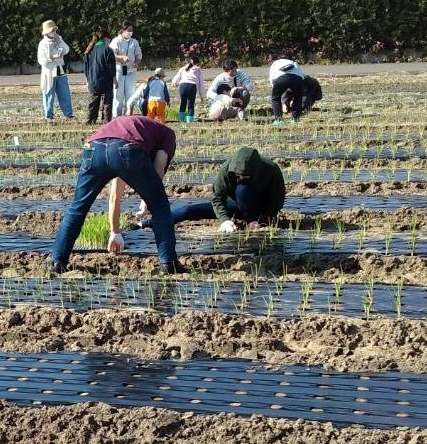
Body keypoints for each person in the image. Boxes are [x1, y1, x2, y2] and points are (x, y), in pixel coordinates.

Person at [49, 114, 183, 276]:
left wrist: (115, 232)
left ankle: (58, 262)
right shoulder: (167, 133)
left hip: (93, 149)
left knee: (78, 208)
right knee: (160, 207)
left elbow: (115, 194)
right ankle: (168, 263)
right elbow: (159, 165)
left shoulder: (130, 127)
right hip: (127, 150)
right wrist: (150, 197)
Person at [134, 147, 285, 233]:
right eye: (237, 175)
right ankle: (145, 223)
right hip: (239, 205)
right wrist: (224, 220)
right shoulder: (227, 168)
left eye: (245, 176)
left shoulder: (271, 170)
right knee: (188, 211)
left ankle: (251, 221)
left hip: (259, 206)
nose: (240, 178)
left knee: (242, 190)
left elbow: (277, 201)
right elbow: (217, 198)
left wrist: (263, 220)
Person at [37, 20, 73, 120]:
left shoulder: (59, 38)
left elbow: (66, 49)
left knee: (64, 93)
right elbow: (41, 60)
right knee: (49, 93)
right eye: (51, 31)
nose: (54, 32)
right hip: (49, 72)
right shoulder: (43, 44)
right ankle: (49, 116)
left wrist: (60, 42)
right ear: (46, 32)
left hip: (60, 70)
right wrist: (51, 58)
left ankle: (68, 114)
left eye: (54, 30)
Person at [83, 31, 116, 126]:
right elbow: (111, 66)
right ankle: (106, 121)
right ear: (105, 38)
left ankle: (90, 120)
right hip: (106, 80)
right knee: (107, 102)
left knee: (93, 102)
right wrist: (114, 79)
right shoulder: (108, 50)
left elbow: (85, 67)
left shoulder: (89, 50)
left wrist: (87, 79)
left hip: (93, 80)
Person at [108, 24, 142, 117]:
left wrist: (137, 62)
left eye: (131, 30)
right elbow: (111, 55)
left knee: (130, 94)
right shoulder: (116, 41)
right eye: (128, 30)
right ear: (122, 30)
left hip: (131, 71)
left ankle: (128, 114)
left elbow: (139, 54)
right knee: (118, 94)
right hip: (119, 71)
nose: (130, 32)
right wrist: (121, 57)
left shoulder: (134, 42)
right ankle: (117, 115)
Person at [268, 58, 308, 123]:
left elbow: (272, 78)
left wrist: (274, 89)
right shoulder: (294, 62)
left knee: (275, 98)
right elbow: (302, 76)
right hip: (297, 78)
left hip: (281, 78)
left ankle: (278, 120)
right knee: (298, 98)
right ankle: (295, 119)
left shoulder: (275, 63)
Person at [172, 56, 203, 125]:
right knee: (190, 104)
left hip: (182, 86)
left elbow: (176, 79)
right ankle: (189, 120)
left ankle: (181, 119)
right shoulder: (198, 69)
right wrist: (202, 95)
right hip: (192, 86)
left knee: (183, 102)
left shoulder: (183, 68)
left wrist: (175, 83)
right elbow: (201, 83)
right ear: (197, 63)